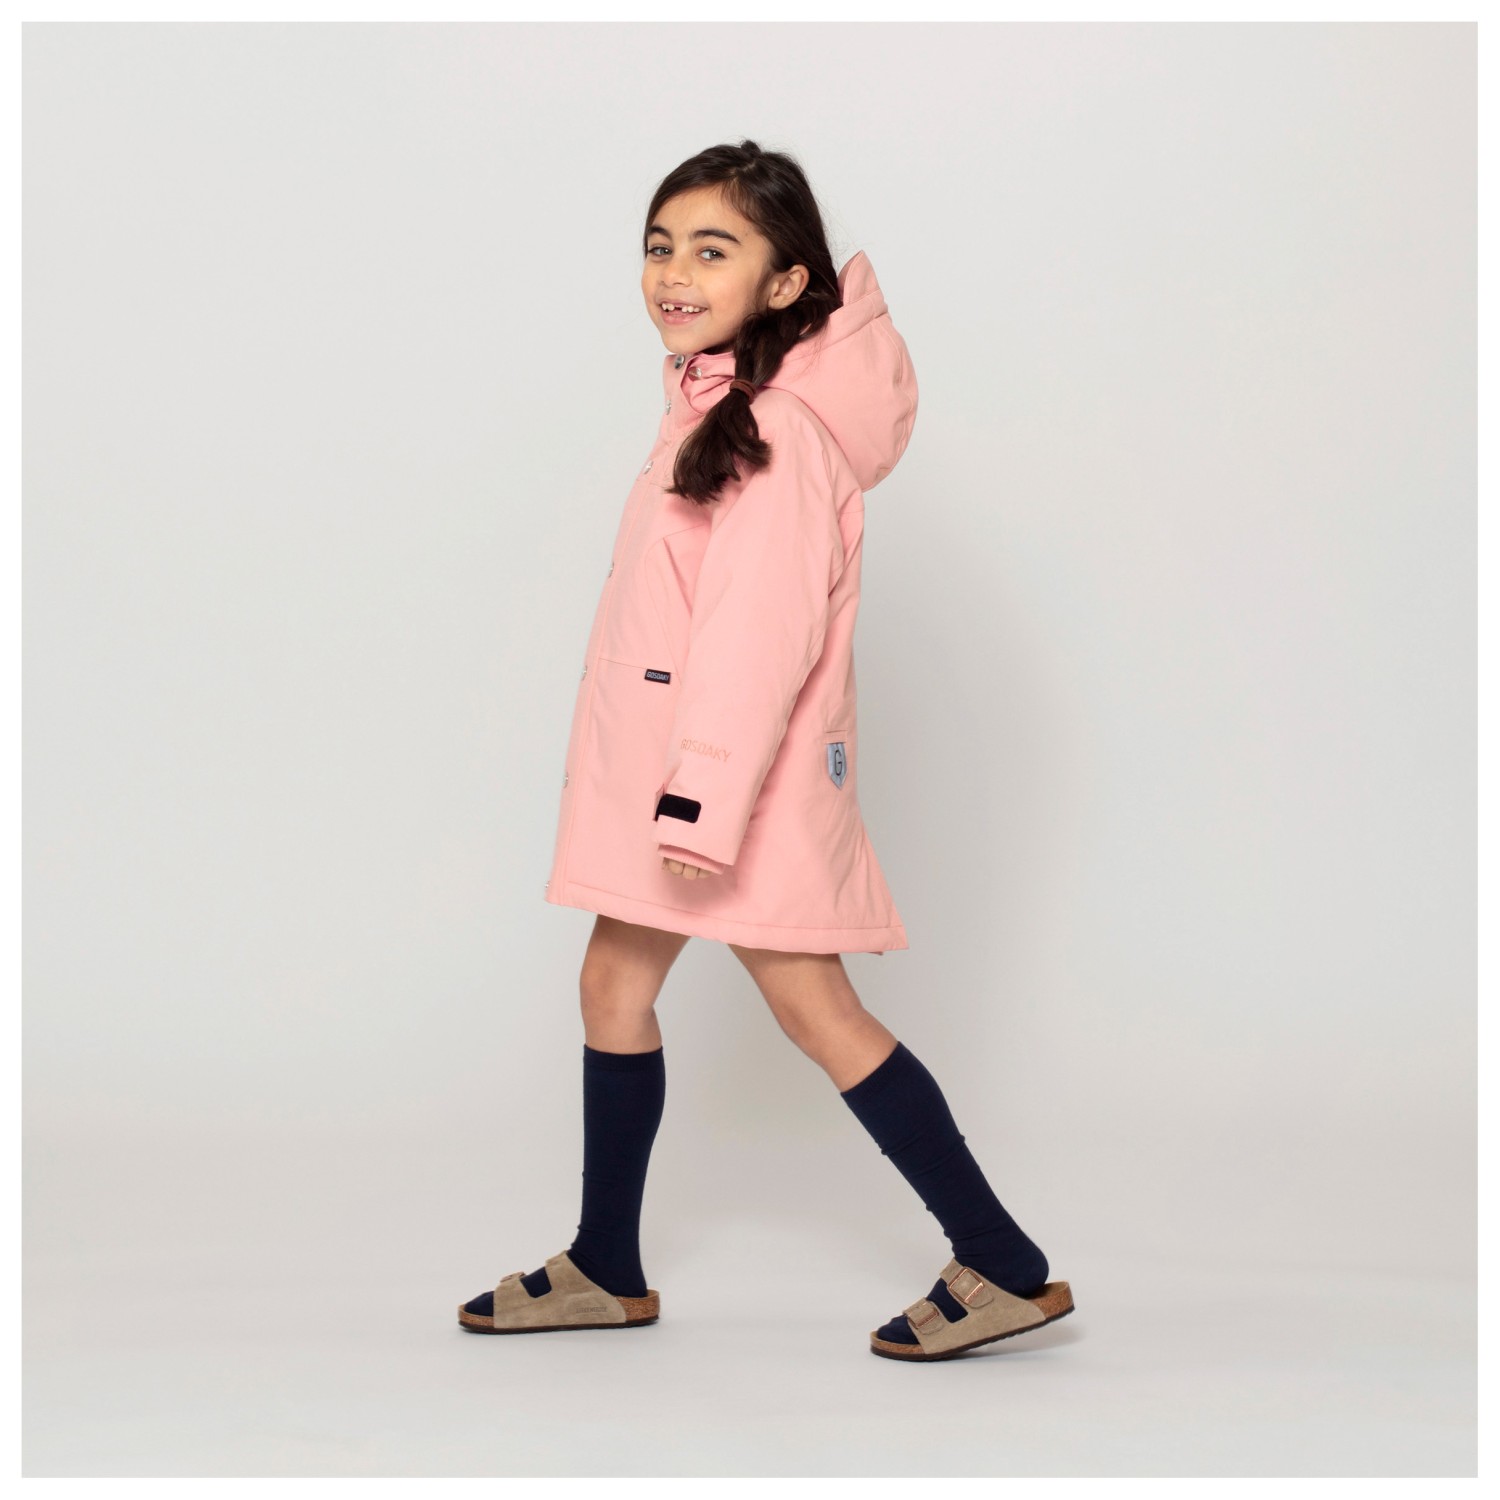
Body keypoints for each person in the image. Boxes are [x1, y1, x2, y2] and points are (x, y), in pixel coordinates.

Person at [458, 140, 1073, 1360]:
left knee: (818, 1012)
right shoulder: (711, 408)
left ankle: (1003, 1263)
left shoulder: (776, 433)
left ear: (787, 283)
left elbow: (755, 642)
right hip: (689, 786)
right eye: (659, 246)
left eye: (712, 250)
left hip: (733, 794)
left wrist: (698, 805)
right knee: (613, 984)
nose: (673, 274)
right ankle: (606, 1263)